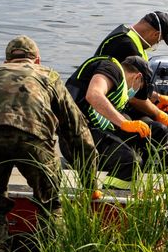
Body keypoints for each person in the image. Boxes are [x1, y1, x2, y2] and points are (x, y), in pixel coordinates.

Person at [0, 35, 98, 252]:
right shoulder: (48, 76)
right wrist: (89, 183)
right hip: (35, 139)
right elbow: (77, 131)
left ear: (7, 61)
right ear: (37, 60)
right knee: (50, 205)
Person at [65, 54, 154, 186]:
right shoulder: (111, 69)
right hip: (76, 136)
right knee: (130, 161)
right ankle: (107, 196)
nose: (135, 93)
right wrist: (124, 123)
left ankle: (142, 179)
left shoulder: (120, 84)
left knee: (148, 133)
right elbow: (94, 95)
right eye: (139, 88)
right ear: (137, 77)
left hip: (92, 130)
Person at [88, 11, 168, 126]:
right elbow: (133, 97)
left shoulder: (127, 34)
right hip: (104, 108)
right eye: (158, 41)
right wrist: (157, 113)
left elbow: (133, 87)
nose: (156, 44)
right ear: (155, 34)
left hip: (116, 101)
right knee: (153, 127)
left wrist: (157, 97)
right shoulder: (126, 46)